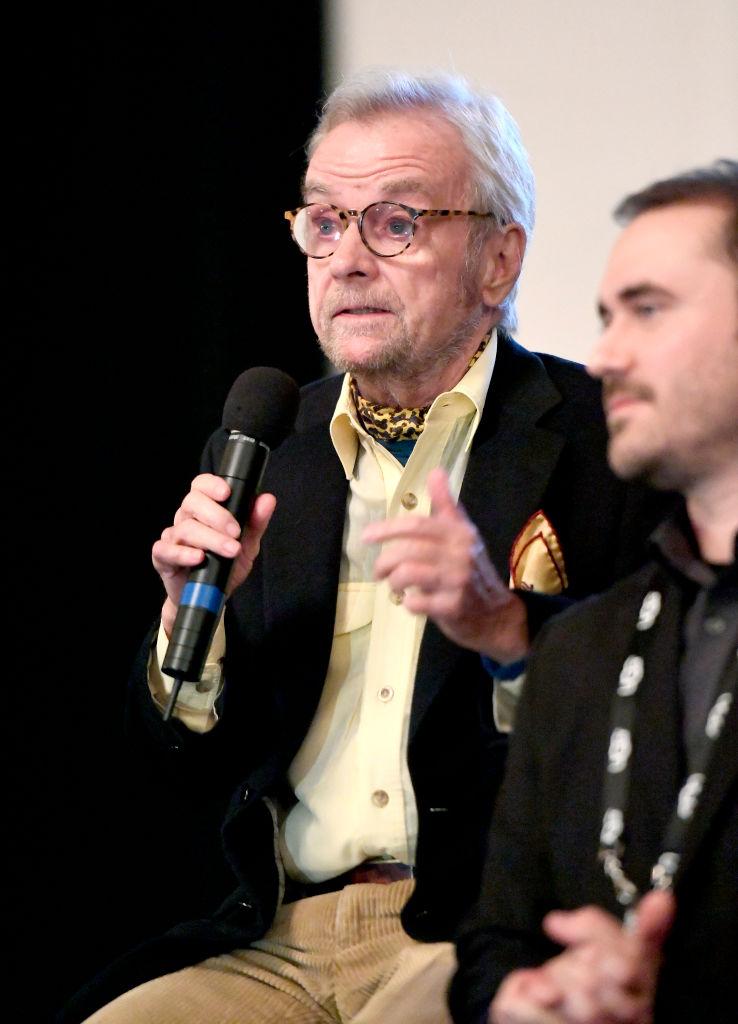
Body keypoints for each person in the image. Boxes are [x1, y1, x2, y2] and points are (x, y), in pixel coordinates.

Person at [62, 69, 664, 1024]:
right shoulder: (272, 449)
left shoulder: (607, 440)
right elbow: (170, 768)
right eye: (323, 222)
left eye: (394, 223)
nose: (345, 259)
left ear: (498, 261)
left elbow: (656, 711)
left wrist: (502, 625)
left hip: (472, 929)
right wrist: (192, 622)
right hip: (272, 941)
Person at [449, 158, 738, 1024]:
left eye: (648, 310)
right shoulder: (580, 648)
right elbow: (493, 942)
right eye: (605, 318)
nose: (605, 355)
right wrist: (525, 998)